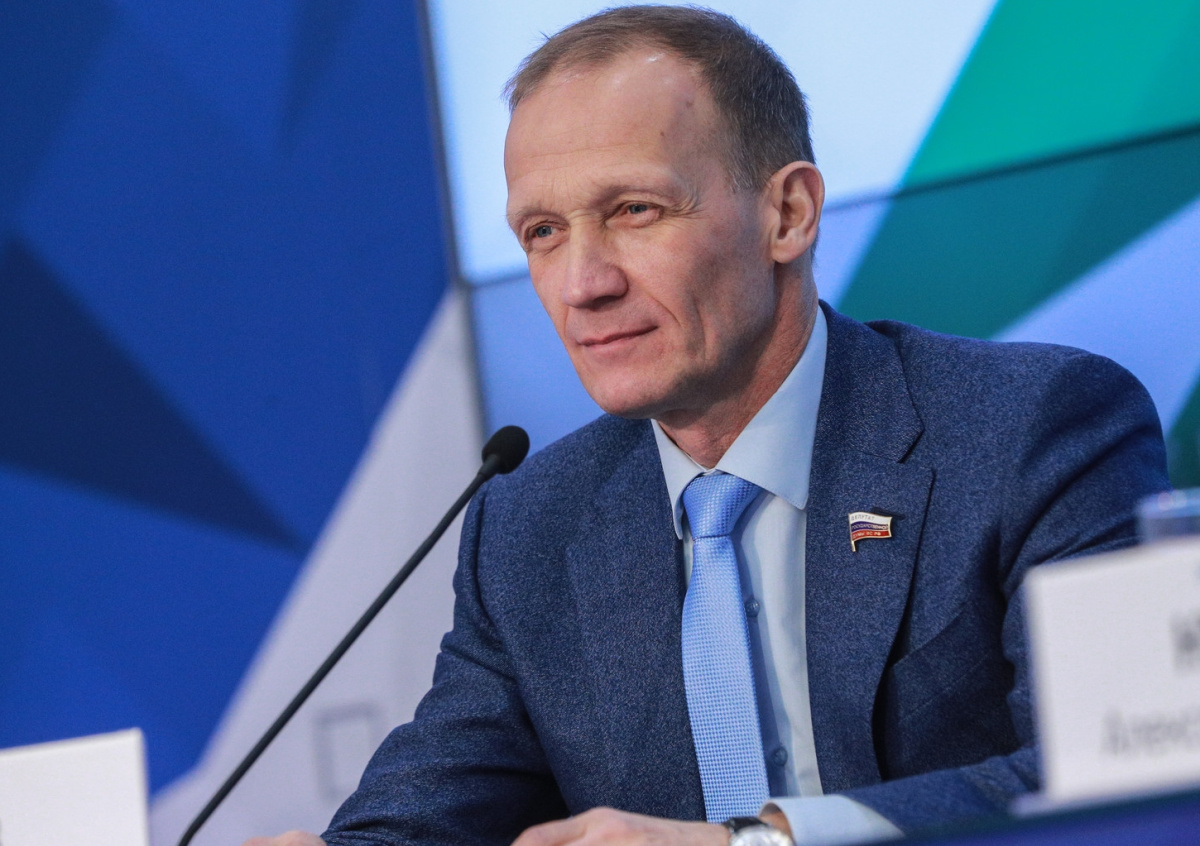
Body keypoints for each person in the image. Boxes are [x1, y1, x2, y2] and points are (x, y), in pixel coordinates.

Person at [246, 7, 1169, 846]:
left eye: (634, 211)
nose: (583, 284)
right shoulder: (529, 529)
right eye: (543, 233)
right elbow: (430, 813)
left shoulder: (1032, 430)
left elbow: (1120, 774)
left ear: (788, 214)